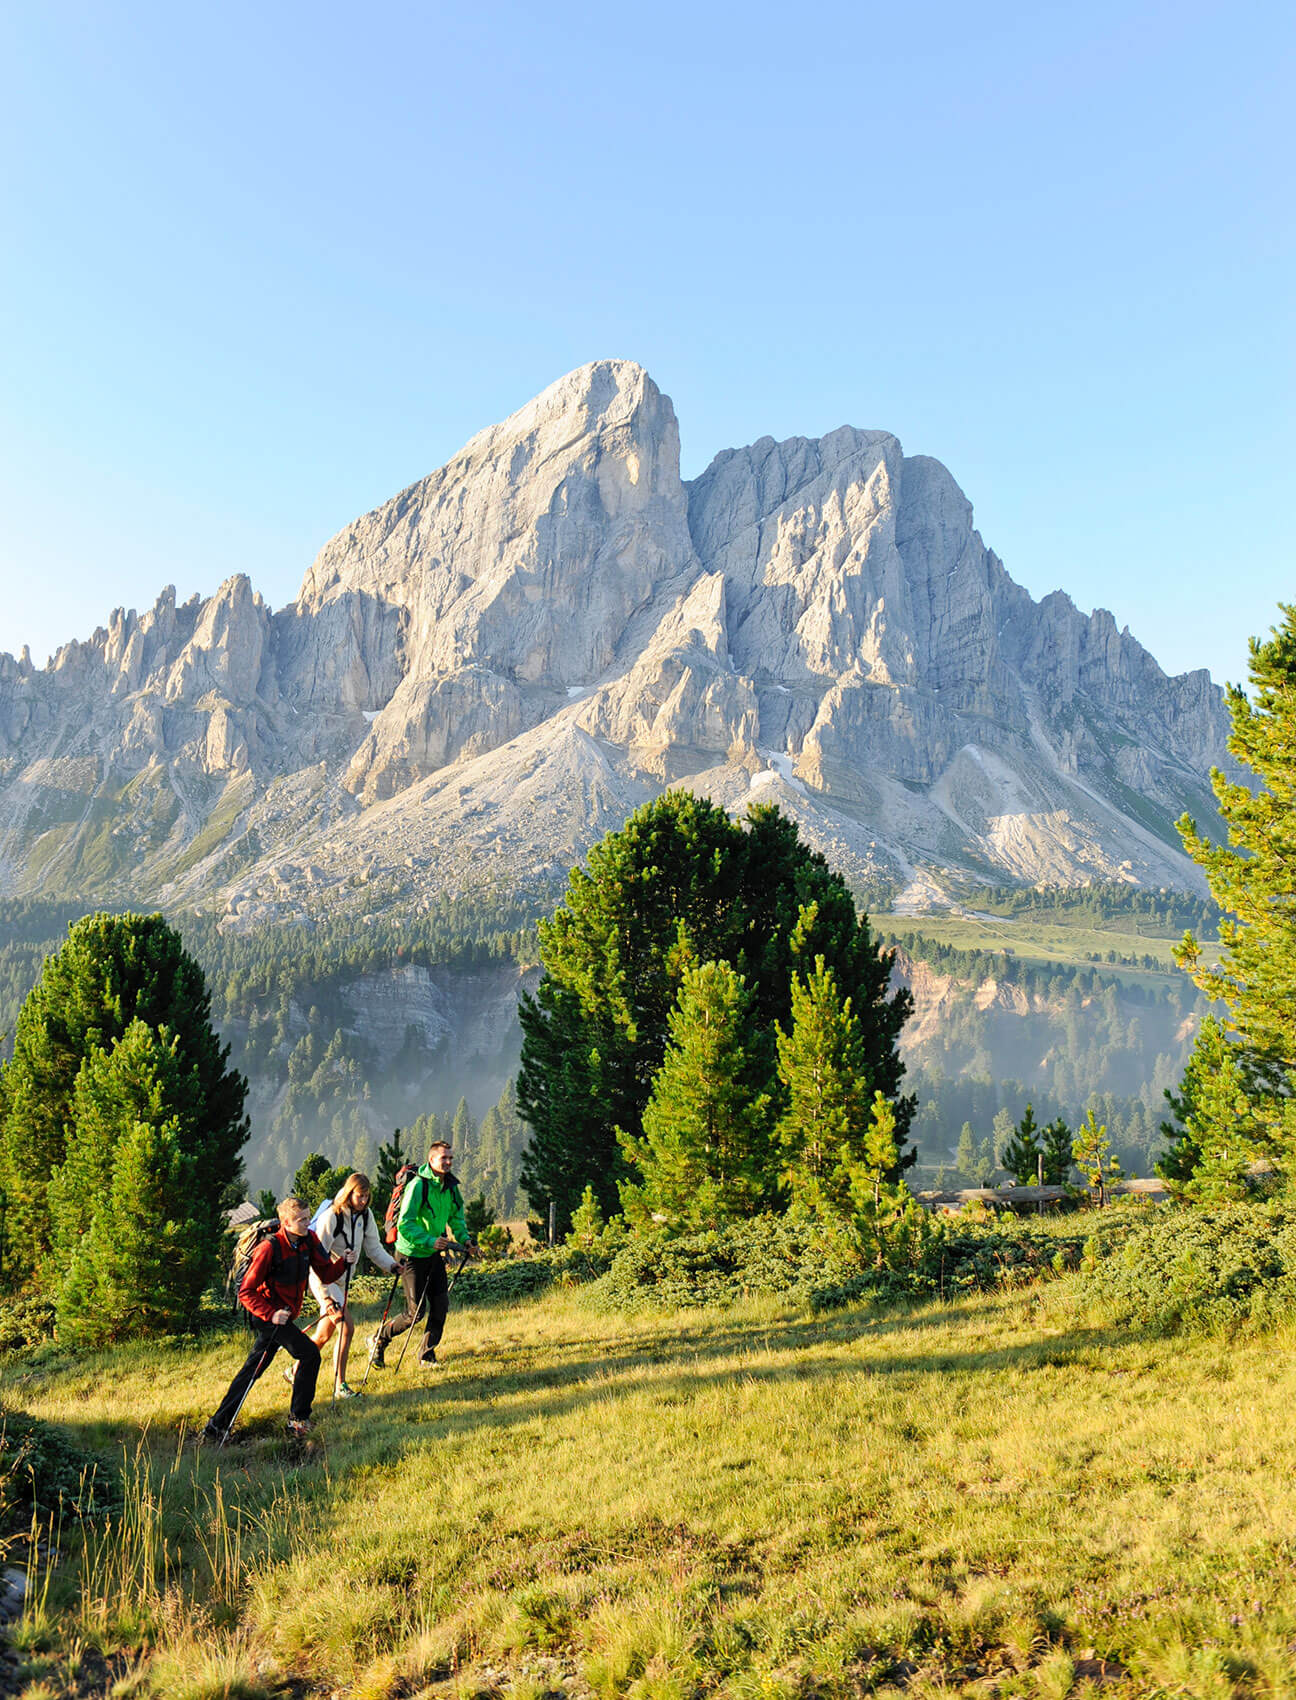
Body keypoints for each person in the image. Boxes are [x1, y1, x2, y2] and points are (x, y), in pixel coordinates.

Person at [203, 1196, 356, 1443]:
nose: (307, 1223)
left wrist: (344, 1264)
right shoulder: (269, 1248)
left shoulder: (309, 1240)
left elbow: (326, 1274)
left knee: (253, 1369)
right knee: (308, 1354)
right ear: (286, 1221)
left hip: (282, 1317)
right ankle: (298, 1420)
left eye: (308, 1218)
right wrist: (271, 1314)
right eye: (301, 1219)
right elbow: (246, 1291)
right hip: (269, 1318)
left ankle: (216, 1426)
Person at [367, 1137, 474, 1370]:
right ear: (431, 1159)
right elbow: (405, 1224)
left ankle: (426, 1355)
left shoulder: (451, 1187)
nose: (447, 1162)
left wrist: (465, 1240)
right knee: (415, 1313)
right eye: (443, 1158)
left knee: (440, 1305)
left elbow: (456, 1217)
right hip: (411, 1254)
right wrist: (429, 1240)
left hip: (433, 1253)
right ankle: (379, 1338)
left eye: (450, 1158)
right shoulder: (418, 1185)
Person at [297, 1171, 396, 1398]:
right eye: (360, 1196)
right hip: (325, 1279)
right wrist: (327, 1297)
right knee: (346, 1328)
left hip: (342, 1281)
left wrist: (392, 1266)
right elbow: (316, 1258)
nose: (363, 1201)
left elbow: (374, 1249)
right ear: (349, 1193)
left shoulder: (366, 1215)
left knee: (323, 1335)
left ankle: (294, 1371)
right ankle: (340, 1385)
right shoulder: (332, 1216)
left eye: (366, 1196)